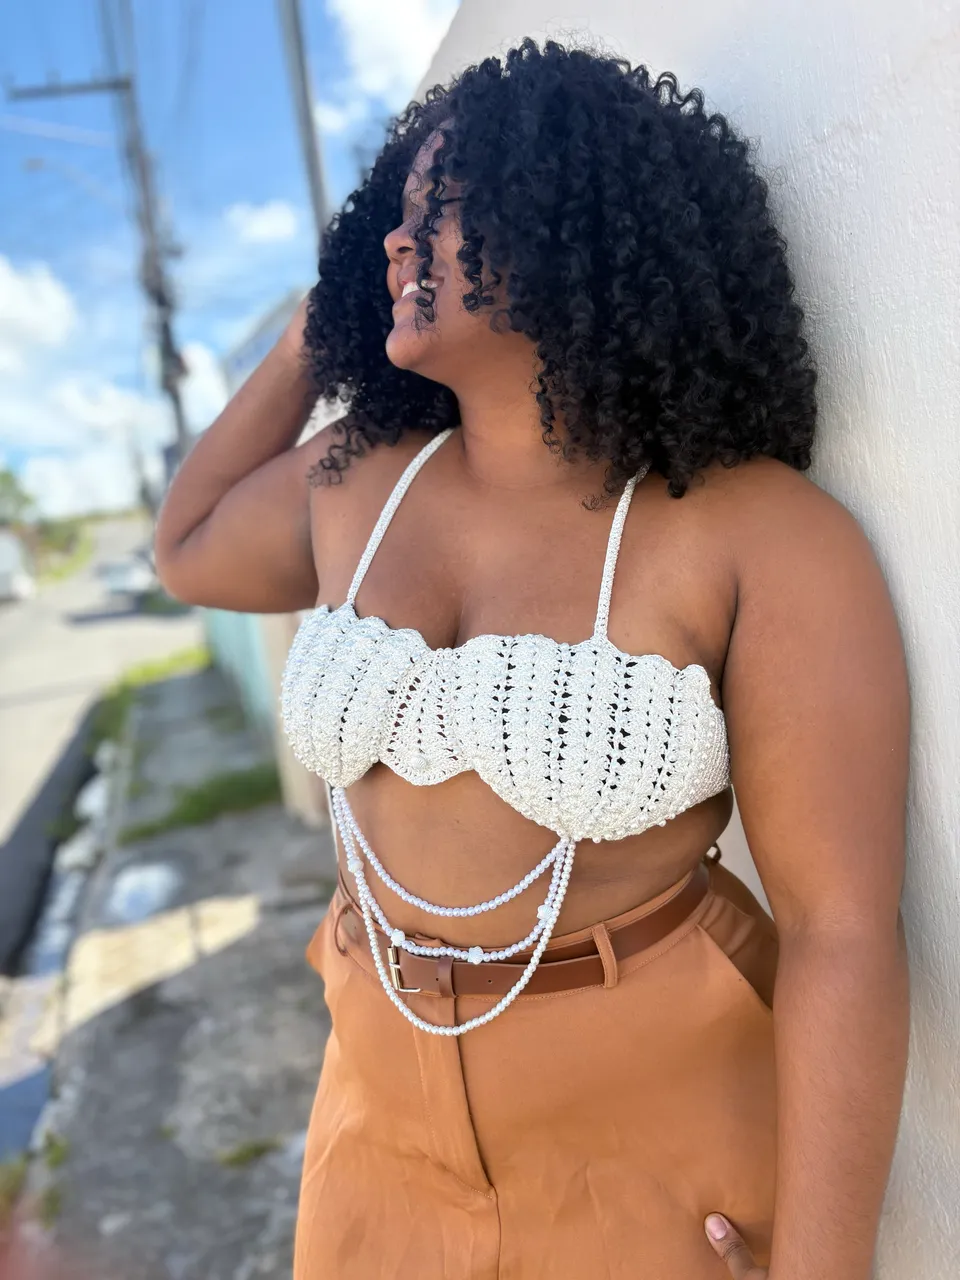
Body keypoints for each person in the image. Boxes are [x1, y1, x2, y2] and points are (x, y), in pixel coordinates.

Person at [155, 38, 910, 1280]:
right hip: (376, 1115)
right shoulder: (356, 481)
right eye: (395, 216)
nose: (399, 241)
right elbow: (186, 548)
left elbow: (841, 929)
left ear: (574, 221)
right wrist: (316, 329)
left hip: (656, 1134)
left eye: (439, 207)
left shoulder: (755, 531)